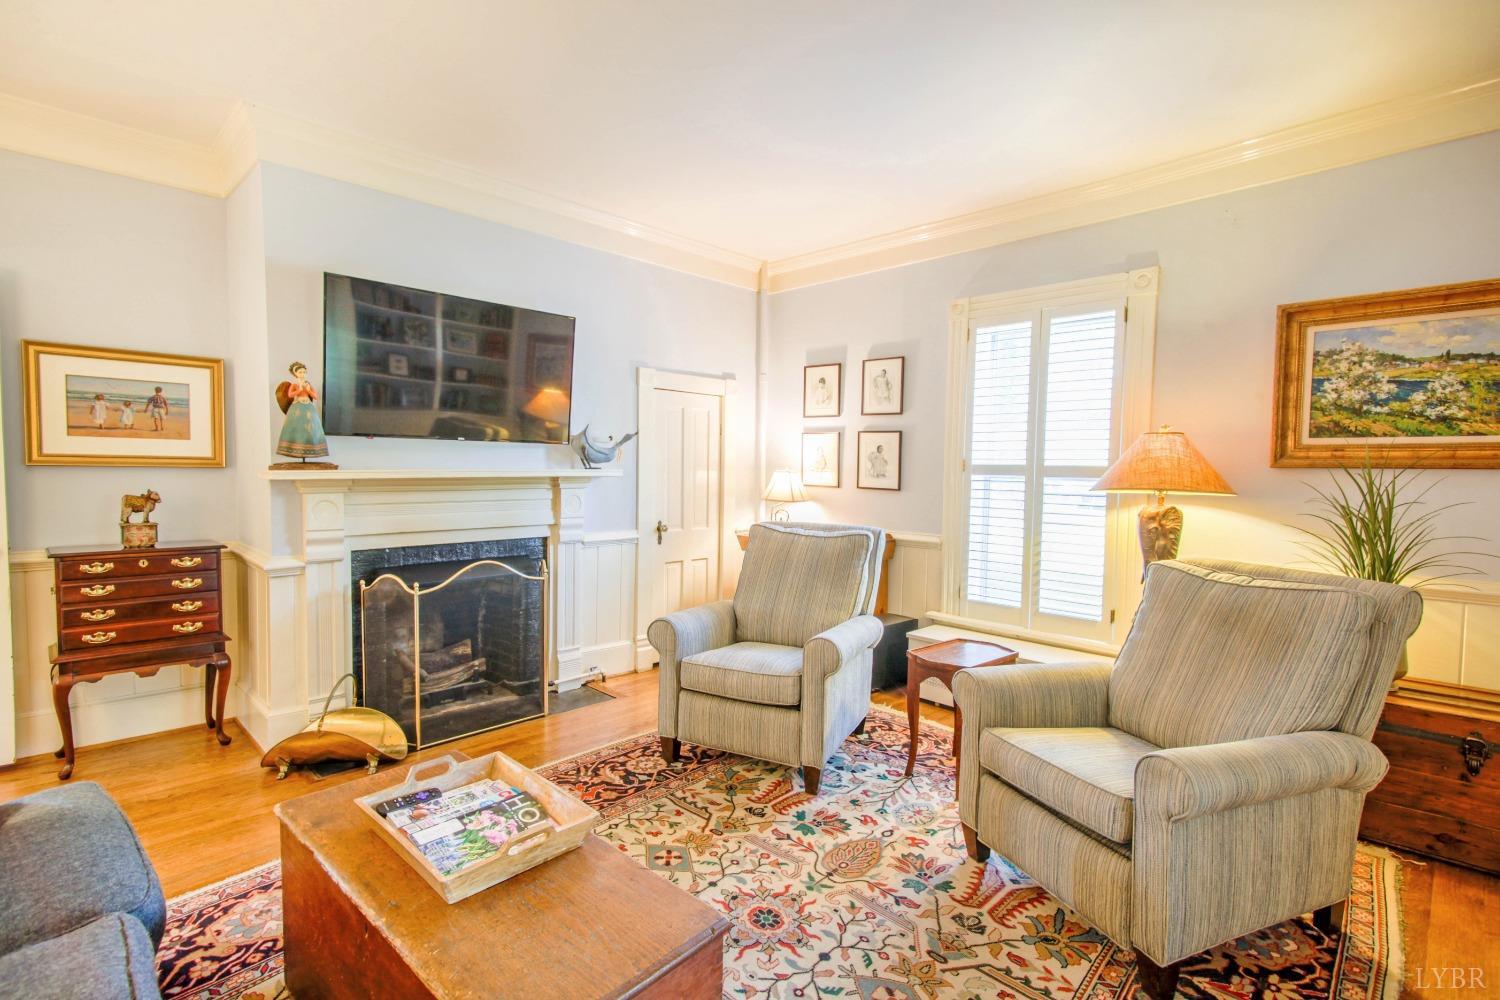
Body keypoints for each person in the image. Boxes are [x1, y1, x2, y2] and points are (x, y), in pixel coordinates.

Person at [274, 361, 331, 463]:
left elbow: (316, 396)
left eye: (304, 372)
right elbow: (290, 395)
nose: (302, 374)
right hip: (297, 408)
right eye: (300, 372)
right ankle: (295, 448)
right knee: (297, 427)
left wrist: (308, 390)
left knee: (311, 427)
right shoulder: (295, 385)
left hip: (308, 407)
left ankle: (311, 448)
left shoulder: (307, 384)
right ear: (295, 373)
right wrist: (299, 389)